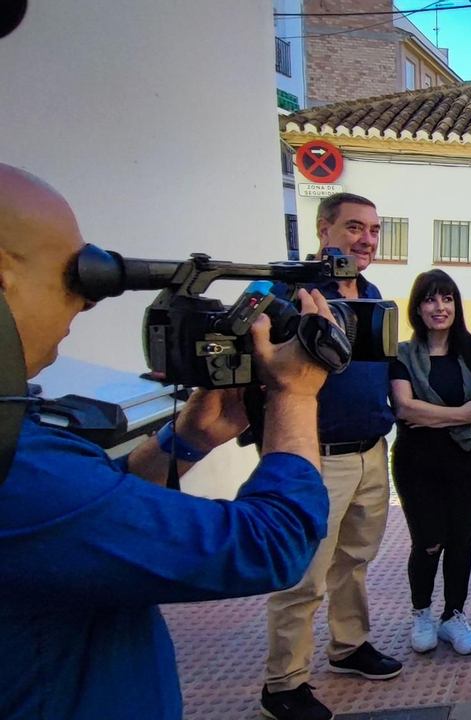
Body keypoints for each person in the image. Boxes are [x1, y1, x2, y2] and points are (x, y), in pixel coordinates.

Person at [0, 164, 335, 719]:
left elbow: (87, 513)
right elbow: (272, 545)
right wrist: (294, 397)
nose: (84, 304)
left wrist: (183, 440)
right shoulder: (18, 473)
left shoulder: (25, 458)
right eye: (75, 279)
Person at [259, 192, 403, 720]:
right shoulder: (291, 292)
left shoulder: (371, 292)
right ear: (324, 229)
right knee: (304, 575)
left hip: (371, 451)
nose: (365, 239)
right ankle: (283, 683)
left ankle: (348, 647)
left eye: (374, 230)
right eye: (354, 228)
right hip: (315, 458)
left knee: (354, 562)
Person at [389, 270, 471, 656]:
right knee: (428, 540)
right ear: (417, 308)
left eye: (447, 299)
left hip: (470, 458)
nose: (440, 307)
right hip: (417, 461)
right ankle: (421, 612)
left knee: (461, 539)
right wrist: (465, 413)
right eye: (430, 300)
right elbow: (404, 407)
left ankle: (453, 615)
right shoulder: (403, 355)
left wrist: (434, 414)